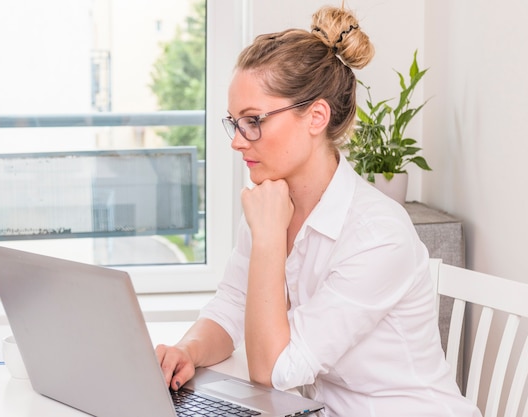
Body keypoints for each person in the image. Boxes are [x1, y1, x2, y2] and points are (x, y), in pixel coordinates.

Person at [156, 4, 482, 417]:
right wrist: (189, 350)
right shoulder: (269, 204)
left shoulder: (377, 233)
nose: (237, 141)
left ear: (316, 117)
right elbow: (232, 306)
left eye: (253, 120)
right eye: (234, 122)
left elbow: (273, 370)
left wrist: (271, 239)